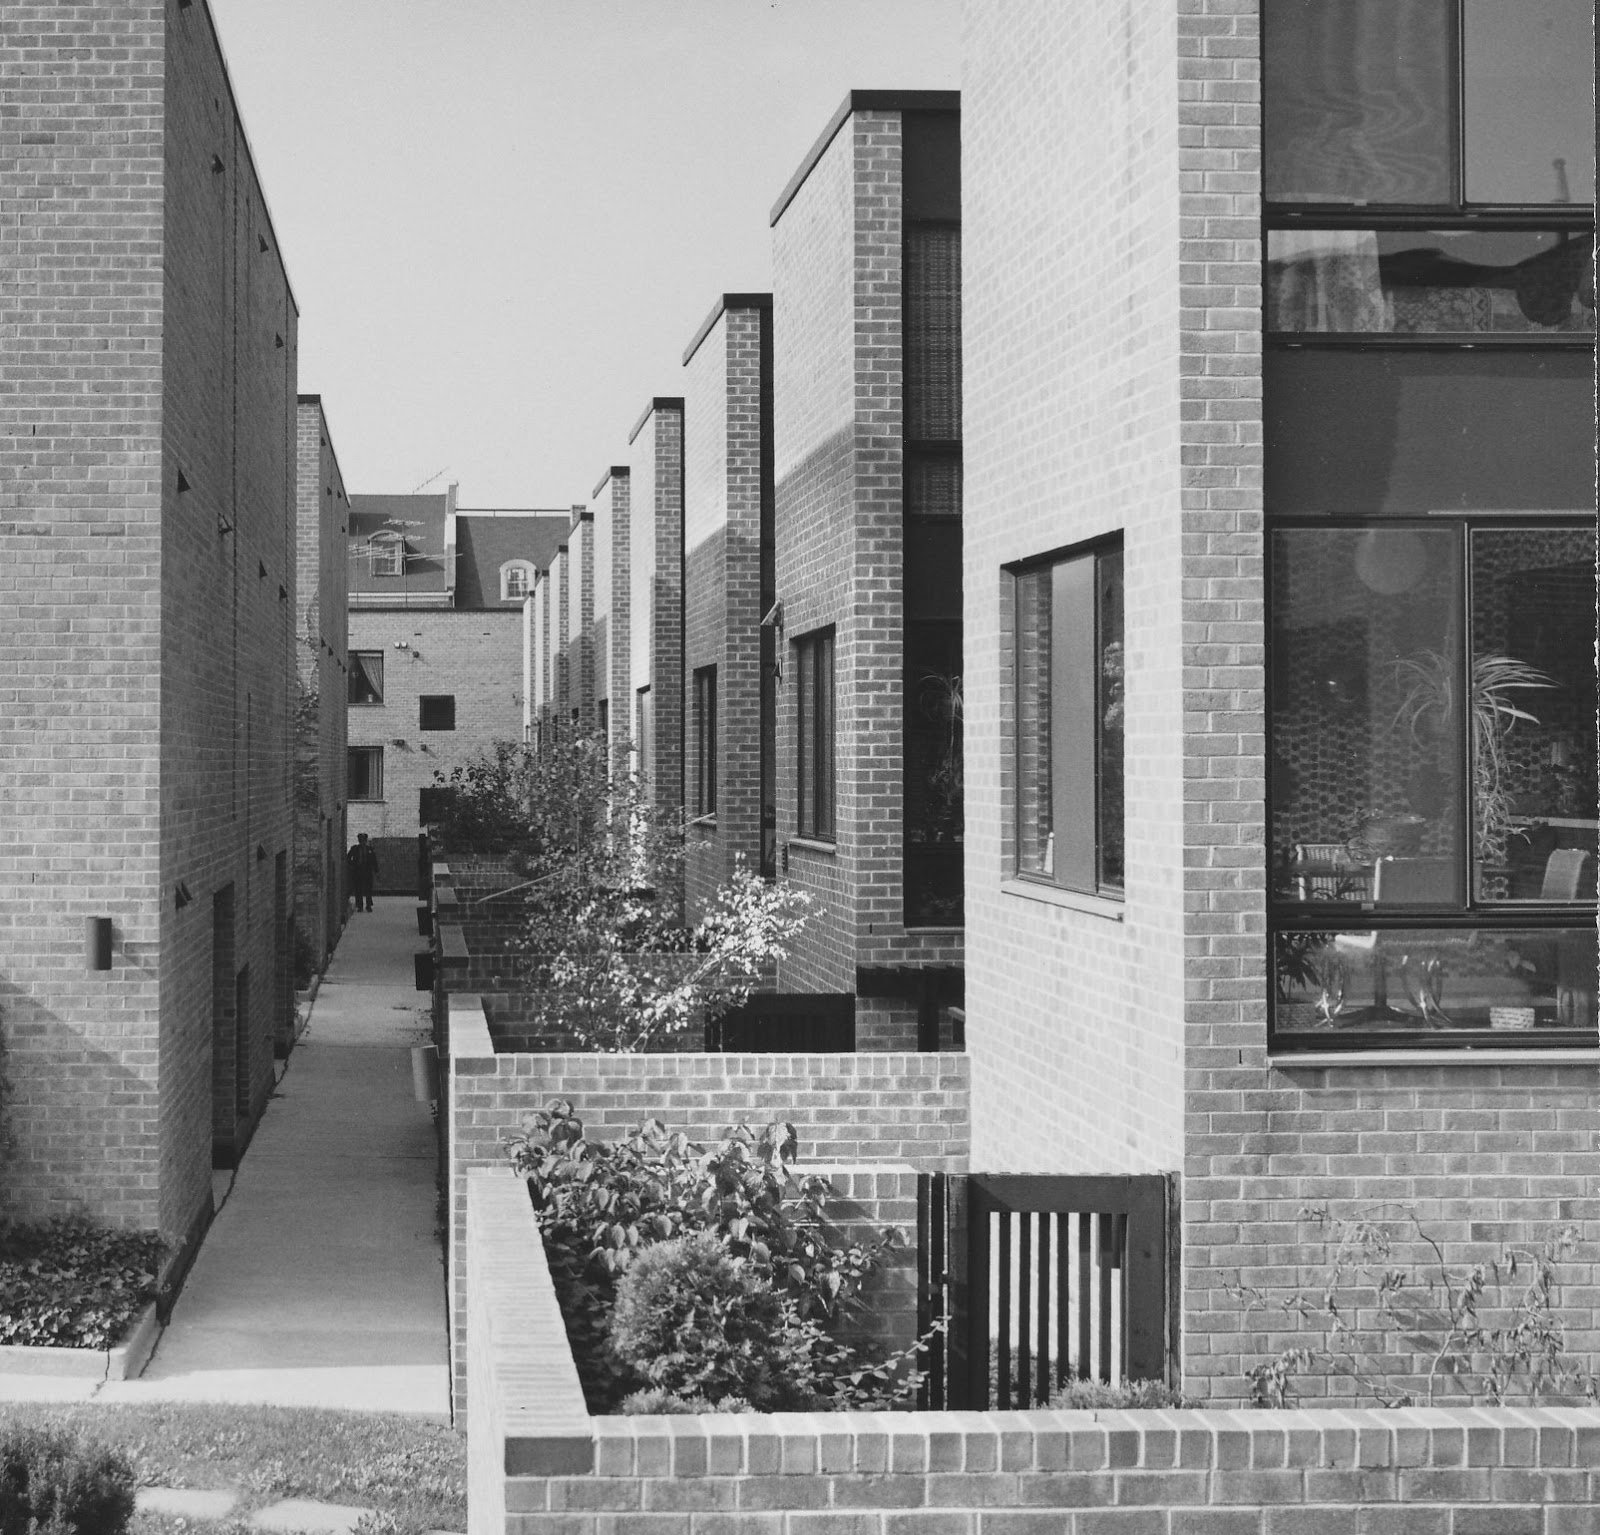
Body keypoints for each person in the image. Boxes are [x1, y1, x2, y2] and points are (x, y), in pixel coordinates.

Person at [348, 833, 378, 912]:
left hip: (367, 871)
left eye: (364, 841)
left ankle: (368, 905)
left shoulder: (370, 849)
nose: (362, 843)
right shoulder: (354, 849)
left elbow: (374, 860)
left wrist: (376, 870)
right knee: (358, 890)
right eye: (361, 841)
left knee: (368, 889)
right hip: (358, 871)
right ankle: (360, 906)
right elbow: (348, 857)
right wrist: (352, 865)